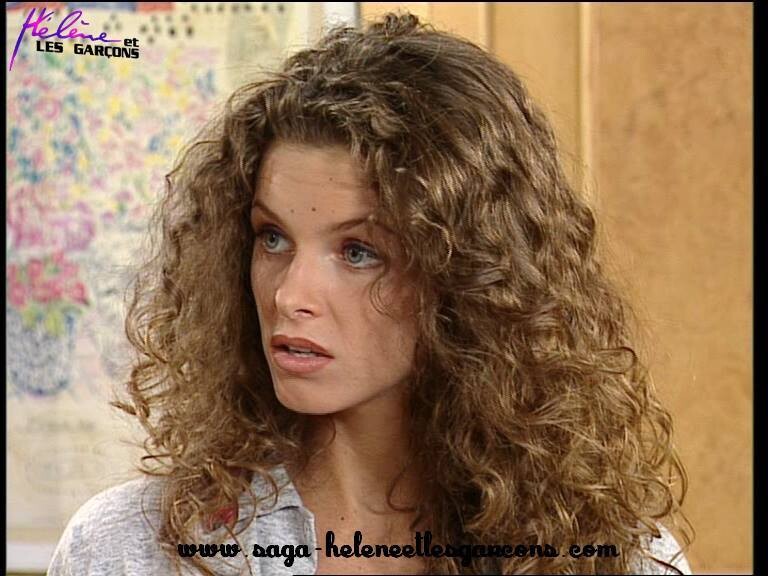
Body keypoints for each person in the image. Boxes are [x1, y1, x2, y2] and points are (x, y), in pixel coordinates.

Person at [48, 12, 694, 576]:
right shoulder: (134, 550)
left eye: (359, 252)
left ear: (470, 277)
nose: (289, 296)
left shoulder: (611, 558)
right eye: (273, 238)